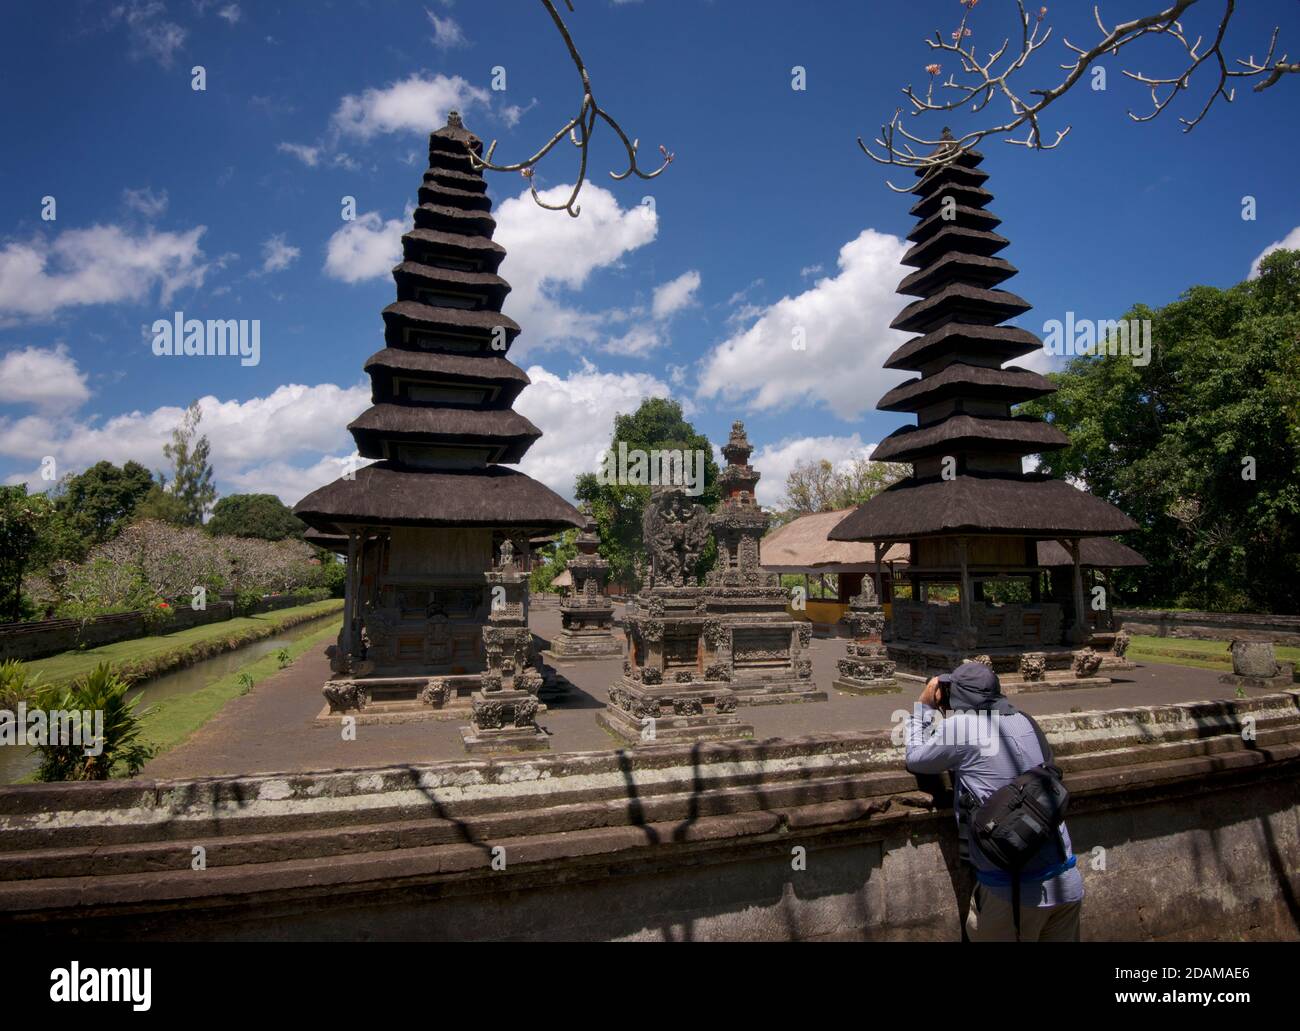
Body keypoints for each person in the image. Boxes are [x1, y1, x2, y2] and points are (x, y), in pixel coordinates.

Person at [904, 660, 1083, 941]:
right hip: (1067, 880)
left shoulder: (962, 726)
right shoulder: (1025, 720)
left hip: (1013, 891)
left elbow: (916, 758)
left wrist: (924, 707)